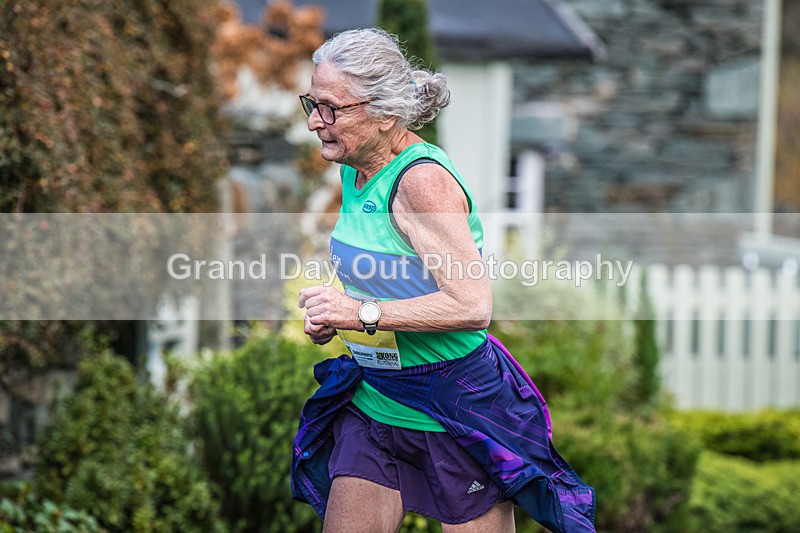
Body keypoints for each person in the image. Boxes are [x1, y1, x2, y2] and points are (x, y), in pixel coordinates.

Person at [293, 28, 595, 533]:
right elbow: (390, 271)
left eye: (331, 108)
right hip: (378, 397)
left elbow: (473, 304)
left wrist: (361, 314)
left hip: (453, 406)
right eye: (311, 102)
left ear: (385, 112)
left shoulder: (422, 182)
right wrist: (339, 308)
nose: (313, 122)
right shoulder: (355, 167)